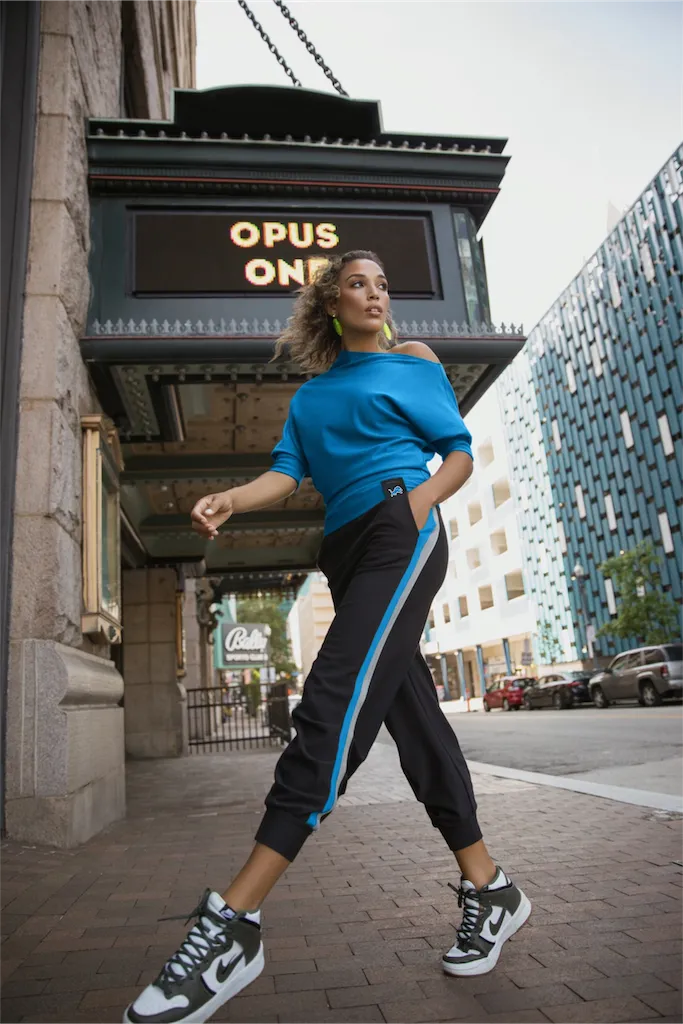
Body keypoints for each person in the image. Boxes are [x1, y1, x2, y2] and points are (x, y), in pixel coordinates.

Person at [123, 251, 531, 1024]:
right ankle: (491, 888)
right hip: (343, 551)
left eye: (382, 284)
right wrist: (230, 500)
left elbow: (456, 453)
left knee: (331, 704)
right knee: (410, 719)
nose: (376, 293)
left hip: (395, 527)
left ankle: (232, 923)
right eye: (358, 284)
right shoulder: (311, 399)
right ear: (330, 303)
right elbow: (285, 471)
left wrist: (414, 508)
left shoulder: (412, 362)